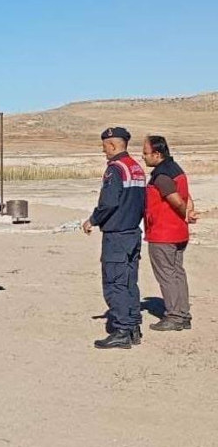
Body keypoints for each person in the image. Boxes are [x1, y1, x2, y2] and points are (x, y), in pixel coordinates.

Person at [82, 127, 146, 349]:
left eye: (105, 147)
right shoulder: (136, 167)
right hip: (133, 232)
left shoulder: (115, 169)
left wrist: (93, 220)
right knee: (129, 282)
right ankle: (133, 325)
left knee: (114, 284)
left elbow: (109, 202)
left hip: (117, 235)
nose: (104, 152)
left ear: (113, 145)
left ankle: (121, 330)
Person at [141, 135, 199, 331]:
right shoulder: (175, 169)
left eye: (146, 153)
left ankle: (174, 316)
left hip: (163, 233)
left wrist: (186, 214)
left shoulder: (162, 175)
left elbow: (176, 199)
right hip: (178, 233)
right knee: (177, 273)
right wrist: (189, 212)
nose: (143, 157)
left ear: (157, 154)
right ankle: (183, 314)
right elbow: (186, 196)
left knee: (167, 275)